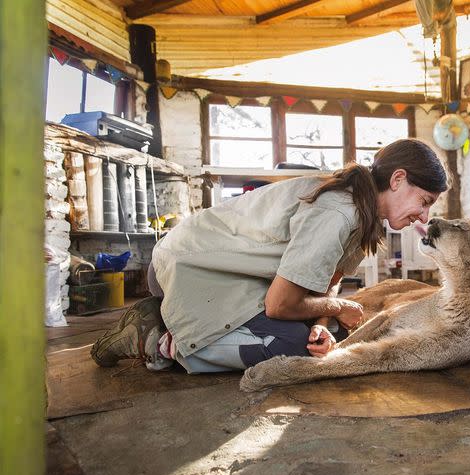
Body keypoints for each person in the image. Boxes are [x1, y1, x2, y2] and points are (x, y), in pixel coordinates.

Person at [90, 138, 448, 373]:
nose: (424, 216)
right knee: (293, 348)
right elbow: (280, 305)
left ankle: (172, 319)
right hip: (188, 266)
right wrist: (334, 310)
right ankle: (157, 339)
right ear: (398, 179)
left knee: (330, 335)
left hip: (224, 274)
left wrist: (322, 325)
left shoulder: (363, 211)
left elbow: (324, 288)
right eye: (425, 201)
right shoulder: (340, 212)